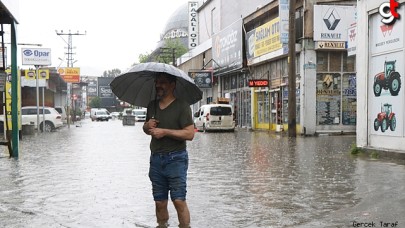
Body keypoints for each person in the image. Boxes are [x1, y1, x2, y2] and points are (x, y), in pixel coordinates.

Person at [143, 73, 195, 228]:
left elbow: (190, 134)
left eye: (163, 82)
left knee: (178, 200)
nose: (158, 85)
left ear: (173, 85)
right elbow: (146, 129)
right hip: (156, 159)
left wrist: (165, 132)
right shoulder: (152, 105)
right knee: (159, 201)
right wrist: (147, 126)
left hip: (176, 159)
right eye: (157, 82)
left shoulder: (182, 106)